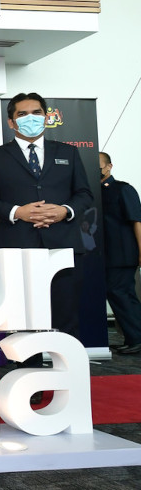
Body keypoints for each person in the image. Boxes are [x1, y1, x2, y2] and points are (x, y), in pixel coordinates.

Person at [0, 92, 92, 401]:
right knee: (24, 320)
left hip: (63, 247)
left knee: (65, 318)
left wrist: (63, 211)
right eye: (23, 113)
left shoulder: (67, 152)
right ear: (12, 121)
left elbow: (84, 194)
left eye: (37, 112)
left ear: (46, 115)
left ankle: (68, 385)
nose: (31, 118)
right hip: (18, 248)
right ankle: (30, 387)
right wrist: (18, 212)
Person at [99, 152, 141, 354]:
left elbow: (137, 221)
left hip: (123, 254)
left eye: (98, 164)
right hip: (105, 255)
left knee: (122, 294)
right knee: (118, 295)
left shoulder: (123, 189)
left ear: (109, 167)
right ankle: (133, 337)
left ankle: (137, 338)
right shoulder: (94, 192)